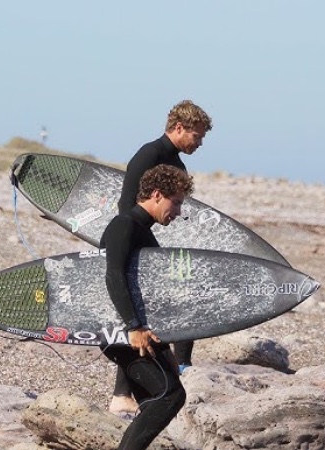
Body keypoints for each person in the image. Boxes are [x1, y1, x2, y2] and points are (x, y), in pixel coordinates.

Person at [110, 100, 213, 415]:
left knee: (171, 300)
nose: (199, 142)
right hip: (133, 236)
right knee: (148, 310)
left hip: (144, 236)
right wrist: (139, 246)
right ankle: (125, 391)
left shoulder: (175, 163)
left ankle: (177, 365)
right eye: (197, 135)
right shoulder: (150, 155)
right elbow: (127, 204)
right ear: (179, 128)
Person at [100, 164, 195, 450]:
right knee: (170, 396)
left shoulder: (141, 229)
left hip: (136, 329)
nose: (178, 211)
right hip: (121, 330)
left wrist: (167, 349)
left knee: (157, 399)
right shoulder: (125, 225)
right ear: (156, 195)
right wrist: (134, 326)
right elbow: (113, 275)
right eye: (175, 202)